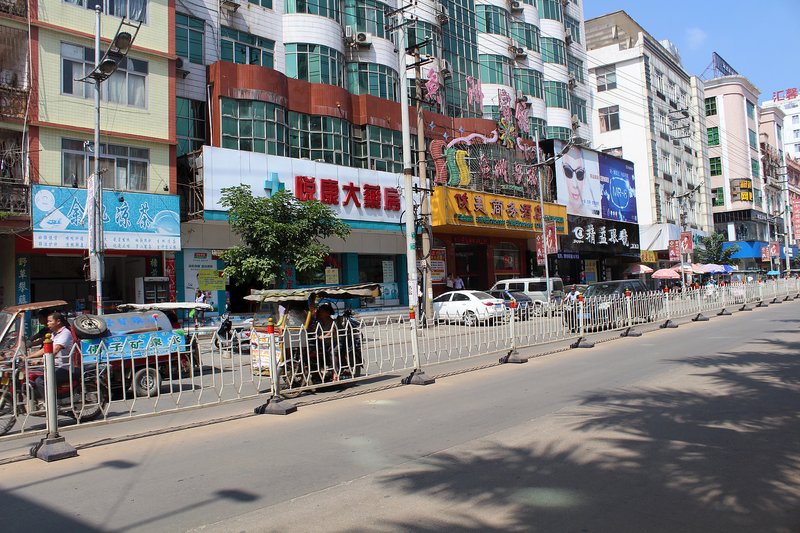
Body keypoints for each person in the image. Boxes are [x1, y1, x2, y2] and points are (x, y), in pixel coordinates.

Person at [27, 312, 75, 401]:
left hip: (63, 368)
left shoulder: (65, 333)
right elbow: (45, 349)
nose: (47, 323)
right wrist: (28, 357)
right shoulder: (54, 334)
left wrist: (41, 360)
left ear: (58, 321)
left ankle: (51, 404)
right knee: (31, 373)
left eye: (50, 321)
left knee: (40, 381)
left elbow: (56, 349)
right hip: (52, 365)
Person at [560, 146, 598, 217]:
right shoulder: (558, 212)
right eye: (568, 172)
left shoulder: (592, 214)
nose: (575, 185)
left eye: (580, 174)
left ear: (585, 176)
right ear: (563, 172)